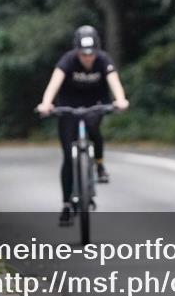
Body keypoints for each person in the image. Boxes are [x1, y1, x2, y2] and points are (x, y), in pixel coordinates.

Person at [36, 25, 130, 226]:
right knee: (67, 157)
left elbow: (114, 81)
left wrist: (121, 100)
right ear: (77, 51)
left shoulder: (103, 60)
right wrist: (46, 104)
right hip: (68, 106)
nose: (88, 58)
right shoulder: (68, 60)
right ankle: (66, 204)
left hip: (95, 105)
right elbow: (54, 83)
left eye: (91, 54)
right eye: (83, 54)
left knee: (94, 128)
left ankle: (99, 163)